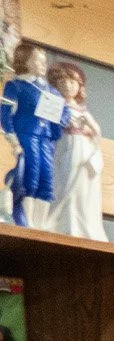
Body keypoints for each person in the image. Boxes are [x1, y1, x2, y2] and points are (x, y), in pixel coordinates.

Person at [1, 42, 64, 227]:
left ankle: (40, 224)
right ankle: (26, 221)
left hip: (45, 139)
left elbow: (59, 117)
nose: (43, 65)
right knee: (31, 177)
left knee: (46, 180)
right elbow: (5, 114)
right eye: (38, 60)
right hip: (26, 135)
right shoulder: (17, 86)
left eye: (44, 61)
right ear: (25, 62)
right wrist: (13, 141)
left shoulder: (51, 91)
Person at [43, 61, 104, 242]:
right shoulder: (53, 104)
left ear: (79, 87)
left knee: (82, 188)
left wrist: (88, 126)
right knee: (64, 182)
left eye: (72, 82)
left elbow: (97, 131)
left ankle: (80, 225)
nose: (68, 85)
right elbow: (46, 128)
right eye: (63, 81)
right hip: (65, 147)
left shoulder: (82, 110)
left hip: (83, 149)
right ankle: (60, 223)